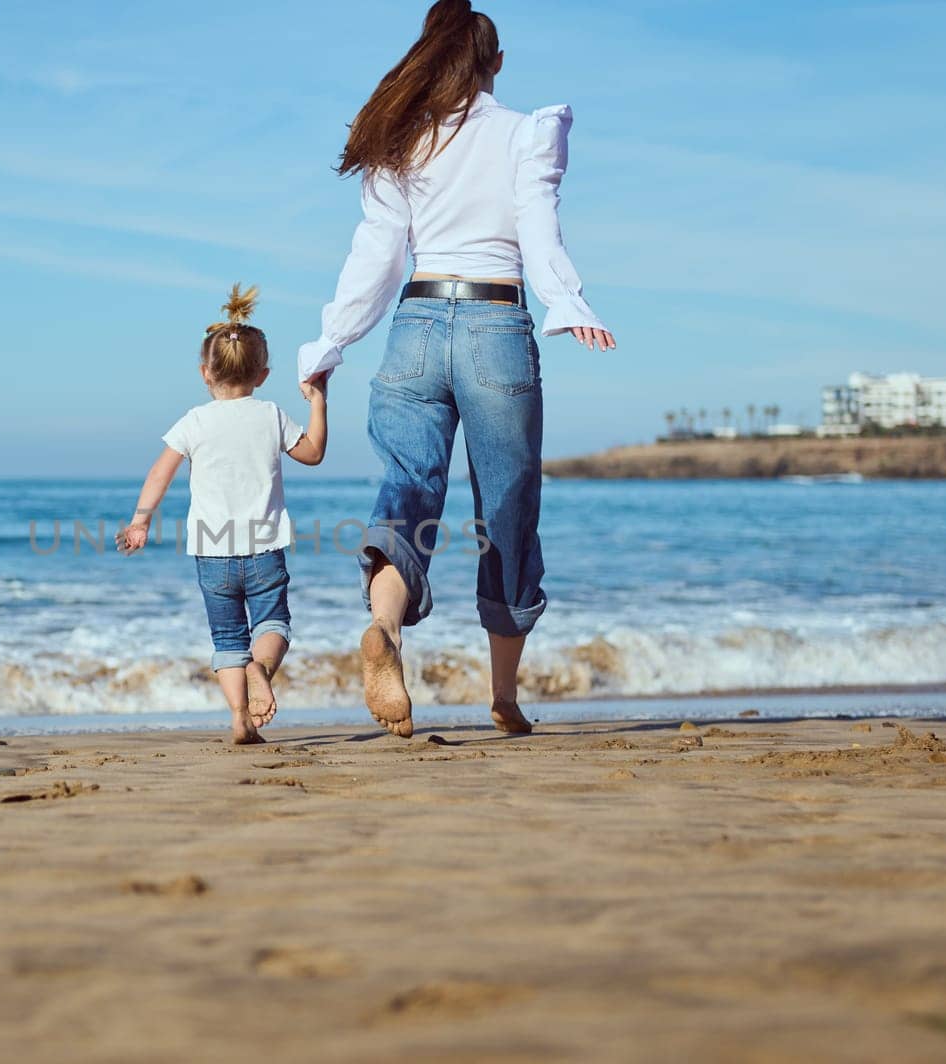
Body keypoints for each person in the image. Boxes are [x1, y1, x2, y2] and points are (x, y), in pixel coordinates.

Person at [298, 0, 616, 738]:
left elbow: (375, 258)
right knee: (506, 511)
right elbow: (538, 229)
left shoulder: (401, 138)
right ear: (494, 63)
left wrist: (329, 343)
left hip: (413, 322)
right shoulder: (524, 134)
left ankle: (387, 628)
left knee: (407, 489)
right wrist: (568, 302)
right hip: (495, 323)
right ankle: (503, 698)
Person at [119, 285, 329, 745]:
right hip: (265, 548)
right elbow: (312, 453)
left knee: (227, 638)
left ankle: (240, 719)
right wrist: (318, 402)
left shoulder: (194, 421)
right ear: (263, 374)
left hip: (212, 553)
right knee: (273, 624)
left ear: (204, 372)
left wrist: (140, 521)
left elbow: (160, 474)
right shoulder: (271, 414)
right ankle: (263, 668)